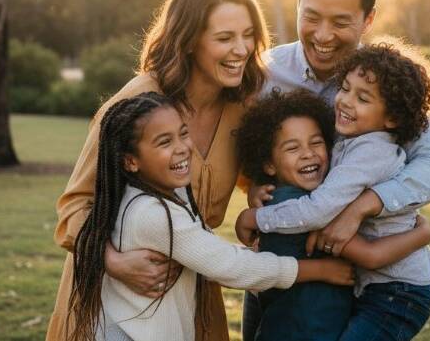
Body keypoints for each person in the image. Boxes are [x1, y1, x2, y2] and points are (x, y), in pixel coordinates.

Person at [242, 0, 430, 339]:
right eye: (311, 17)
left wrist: (363, 205)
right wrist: (251, 182)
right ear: (298, 6)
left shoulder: (385, 84)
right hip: (280, 264)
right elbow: (232, 145)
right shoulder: (264, 75)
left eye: (341, 22)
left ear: (368, 19)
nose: (323, 35)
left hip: (359, 279)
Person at [47, 0, 273, 341]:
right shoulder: (136, 104)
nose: (242, 49)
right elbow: (76, 204)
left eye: (248, 35)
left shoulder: (241, 106)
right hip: (113, 297)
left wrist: (259, 193)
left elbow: (246, 174)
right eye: (224, 38)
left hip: (191, 289)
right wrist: (113, 261)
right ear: (188, 42)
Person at [69, 92, 355, 341]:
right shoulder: (151, 214)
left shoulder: (160, 193)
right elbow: (229, 266)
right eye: (164, 142)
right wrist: (319, 270)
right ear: (131, 161)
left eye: (183, 133)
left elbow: (212, 251)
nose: (182, 147)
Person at [235, 89, 430, 341]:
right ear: (269, 164)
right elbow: (371, 256)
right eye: (293, 147)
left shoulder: (299, 200)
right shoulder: (301, 211)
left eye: (316, 142)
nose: (308, 153)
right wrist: (423, 233)